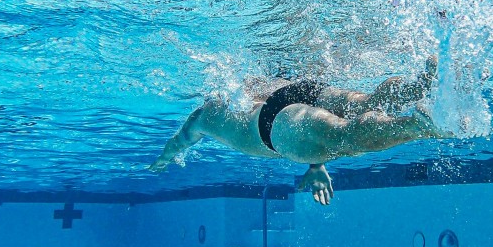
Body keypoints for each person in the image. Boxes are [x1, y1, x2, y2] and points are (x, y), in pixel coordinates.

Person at [148, 57, 449, 205]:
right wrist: (316, 166)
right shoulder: (248, 82)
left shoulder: (202, 117)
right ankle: (421, 84)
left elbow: (178, 143)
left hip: (269, 125)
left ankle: (420, 126)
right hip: (298, 88)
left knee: (342, 137)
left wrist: (162, 161)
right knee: (367, 102)